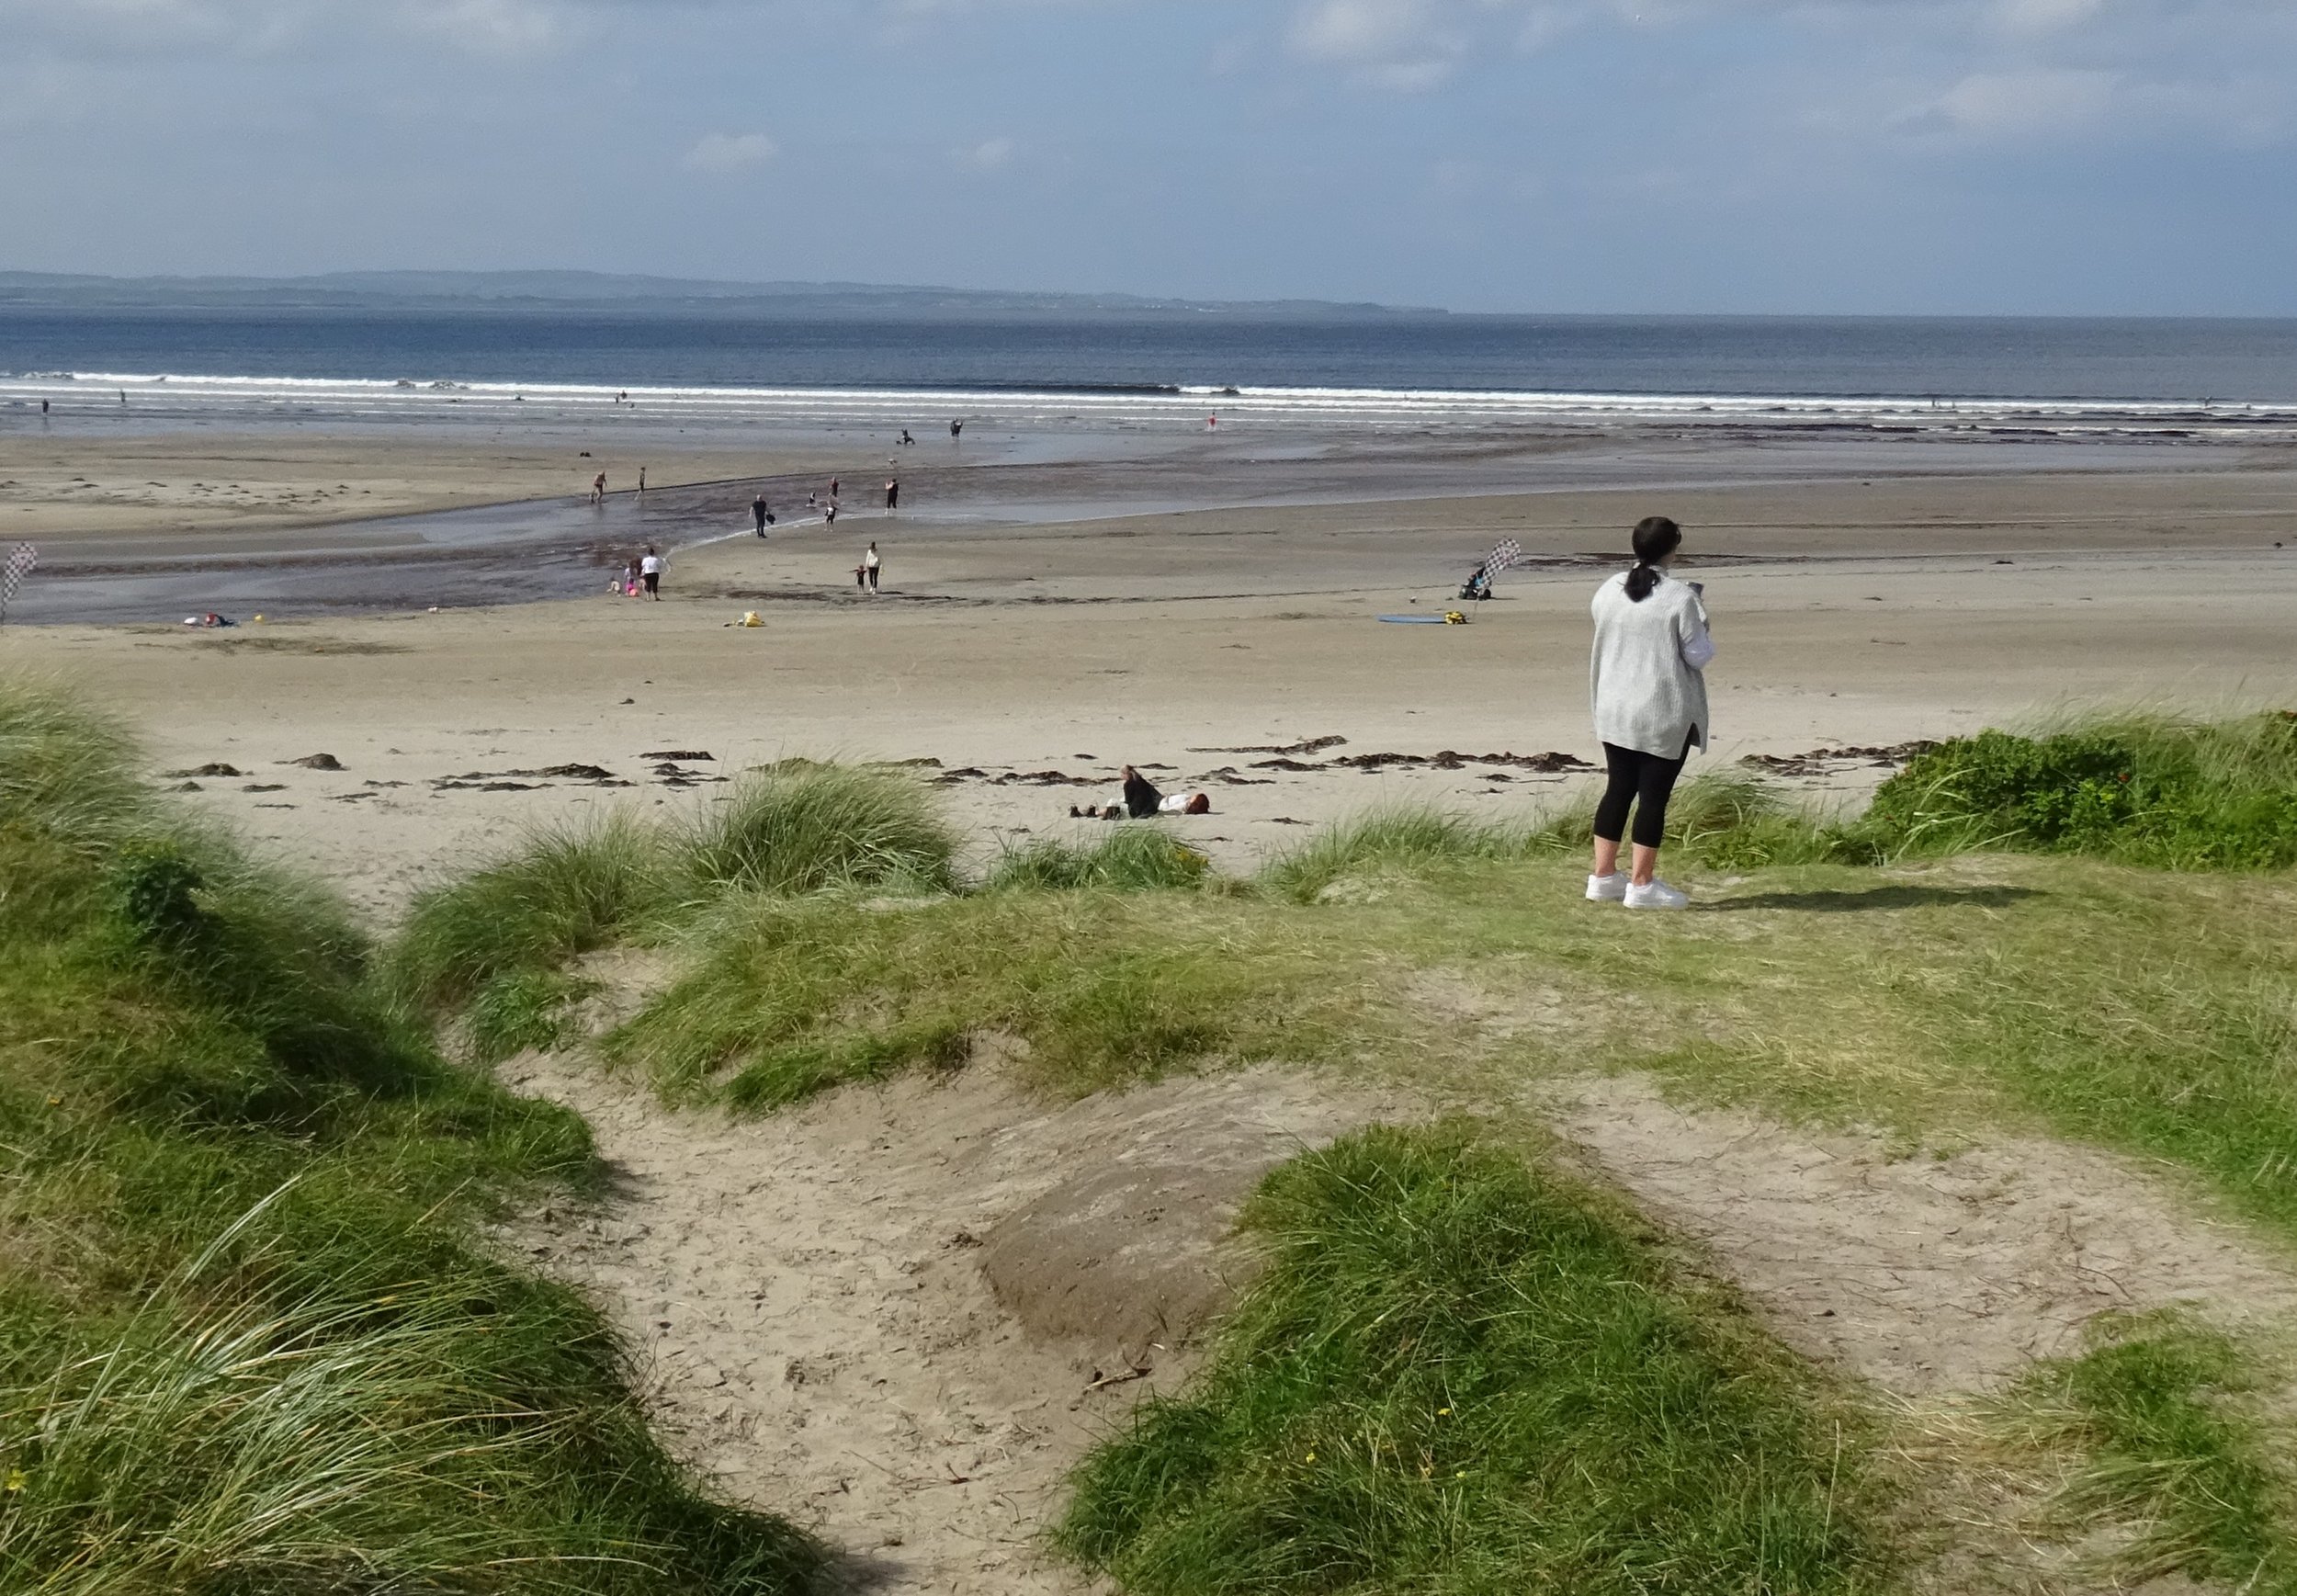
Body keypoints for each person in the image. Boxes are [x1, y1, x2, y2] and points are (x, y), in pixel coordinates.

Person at [1586, 515, 1714, 911]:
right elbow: (1698, 655)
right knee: (1653, 797)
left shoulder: (1610, 588)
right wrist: (1705, 621)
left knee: (1618, 789)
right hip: (1660, 709)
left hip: (1614, 705)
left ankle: (1603, 876)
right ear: (1673, 549)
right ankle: (1641, 885)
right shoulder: (1680, 597)